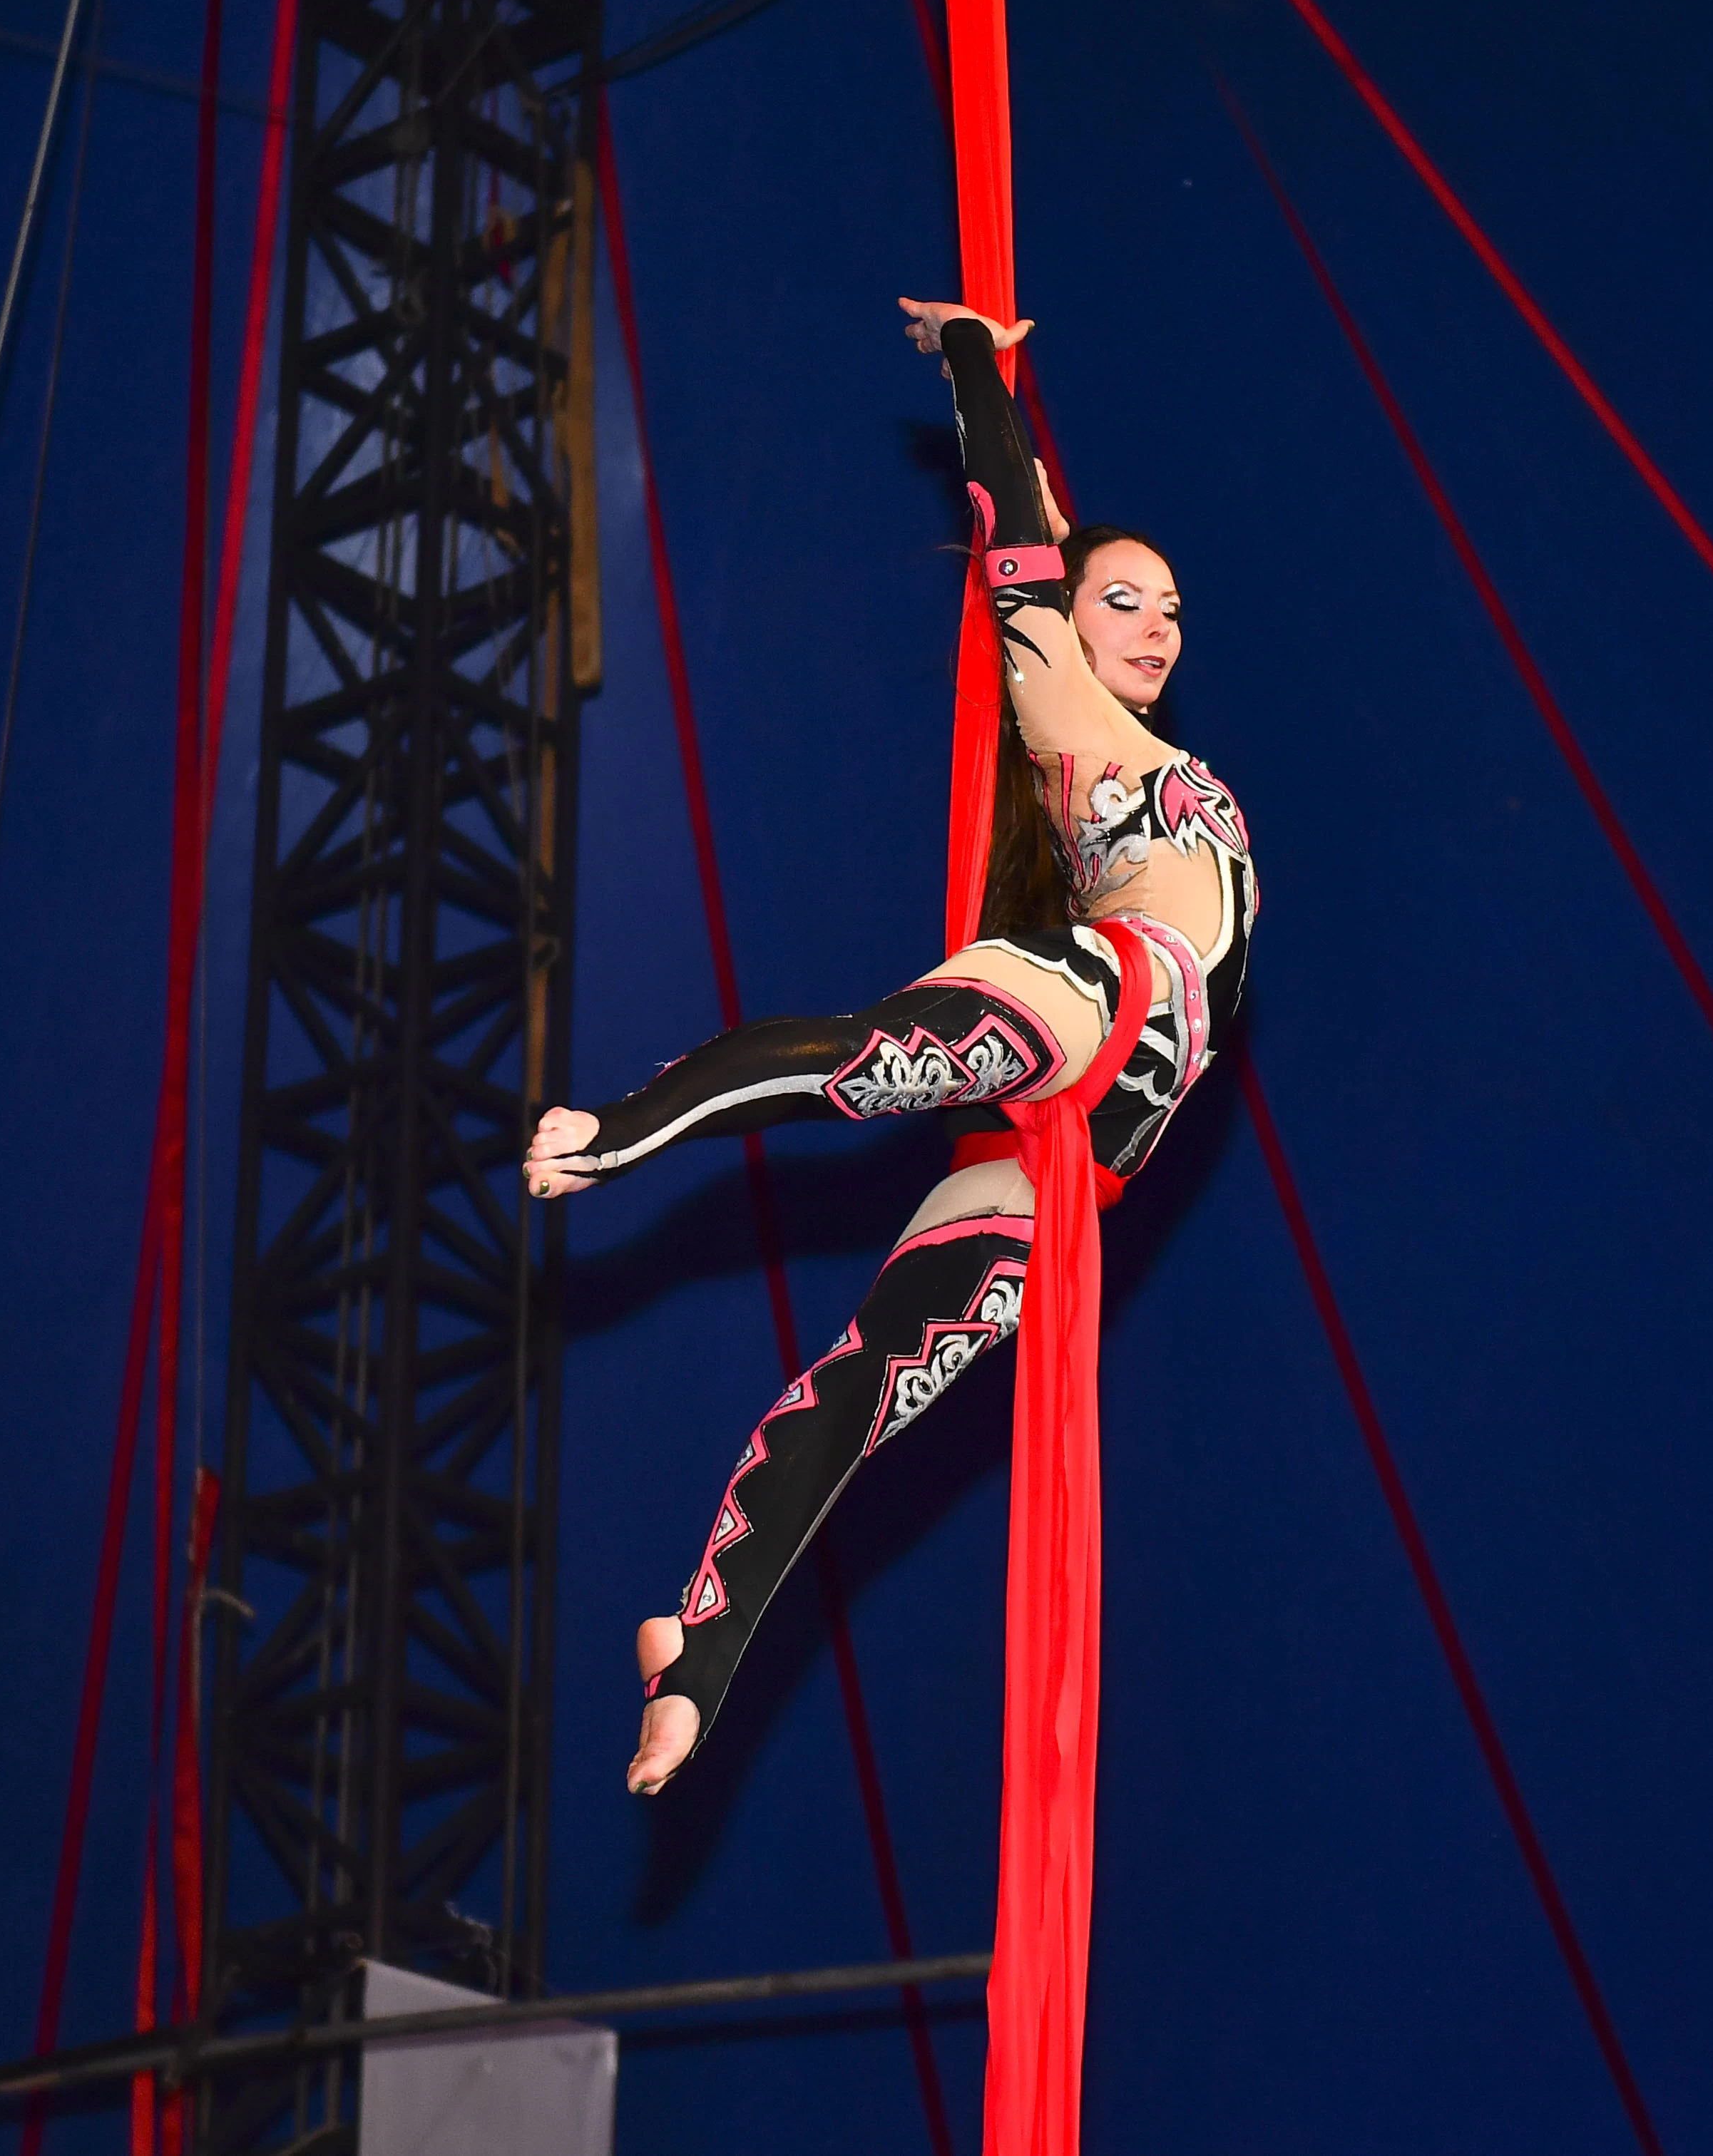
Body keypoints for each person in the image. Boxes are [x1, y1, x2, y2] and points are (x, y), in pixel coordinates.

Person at [523, 297, 1259, 1794]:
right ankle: (619, 1128)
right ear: (1071, 615)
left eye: (1174, 609)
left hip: (1093, 1153)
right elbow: (1015, 534)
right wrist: (981, 363)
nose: (1158, 628)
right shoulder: (1063, 708)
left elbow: (1039, 519)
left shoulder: (1165, 747)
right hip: (1089, 997)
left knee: (870, 1386)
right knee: (869, 1063)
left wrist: (1012, 416)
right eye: (1127, 600)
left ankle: (699, 1659)